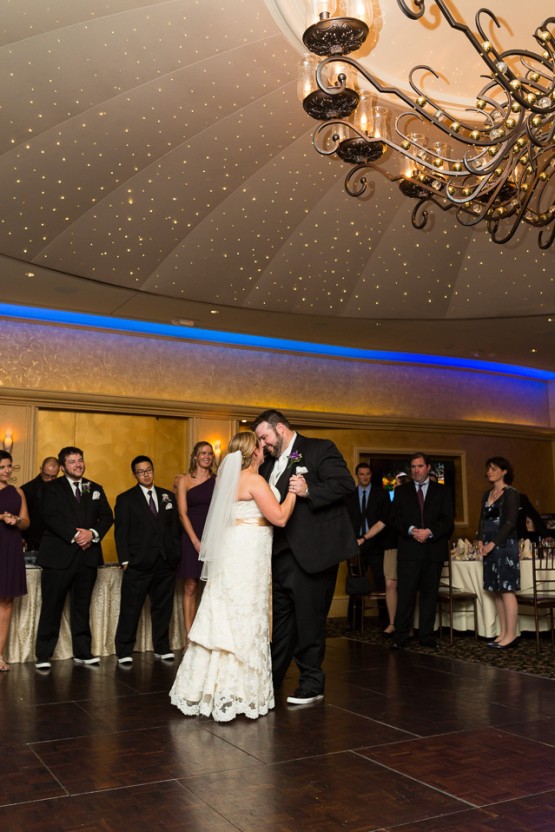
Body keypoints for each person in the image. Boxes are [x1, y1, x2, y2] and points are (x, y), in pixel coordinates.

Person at [170, 431, 296, 722]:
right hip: (249, 553)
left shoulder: (227, 481)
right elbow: (279, 517)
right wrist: (293, 491)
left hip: (232, 550)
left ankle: (208, 688)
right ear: (254, 452)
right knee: (246, 612)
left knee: (226, 608)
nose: (265, 450)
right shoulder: (254, 480)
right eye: (261, 446)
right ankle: (241, 691)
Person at [253, 409, 358, 705]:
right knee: (281, 622)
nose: (263, 444)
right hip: (279, 554)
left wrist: (310, 489)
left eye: (264, 437)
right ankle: (271, 681)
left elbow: (345, 484)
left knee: (309, 621)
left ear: (280, 429)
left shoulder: (319, 448)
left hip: (313, 553)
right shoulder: (267, 464)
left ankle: (312, 683)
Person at [35, 446, 113, 670]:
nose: (78, 464)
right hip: (58, 557)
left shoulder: (95, 488)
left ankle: (83, 652)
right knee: (52, 607)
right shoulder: (51, 488)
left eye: (80, 460)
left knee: (82, 606)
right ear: (62, 467)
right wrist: (77, 536)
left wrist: (93, 534)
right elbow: (49, 517)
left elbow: (107, 516)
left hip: (87, 557)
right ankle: (43, 655)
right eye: (72, 461)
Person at [114, 456, 181, 665]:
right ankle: (124, 650)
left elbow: (175, 528)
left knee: (163, 608)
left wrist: (175, 554)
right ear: (135, 474)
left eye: (149, 470)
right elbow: (121, 532)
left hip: (165, 563)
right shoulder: (125, 499)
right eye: (141, 471)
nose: (146, 474)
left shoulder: (167, 496)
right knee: (131, 608)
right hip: (138, 563)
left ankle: (161, 647)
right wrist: (125, 561)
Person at [391, 452, 454, 650]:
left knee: (429, 596)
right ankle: (400, 636)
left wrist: (429, 532)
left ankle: (426, 636)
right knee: (405, 595)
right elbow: (394, 519)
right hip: (409, 552)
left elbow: (448, 521)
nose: (416, 470)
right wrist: (411, 530)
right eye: (413, 467)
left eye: (419, 466)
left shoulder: (442, 491)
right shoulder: (401, 491)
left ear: (428, 468)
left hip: (433, 552)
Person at [477, 457, 520, 650]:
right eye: (488, 469)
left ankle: (511, 635)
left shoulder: (511, 493)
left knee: (507, 590)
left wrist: (492, 544)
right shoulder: (487, 494)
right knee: (496, 590)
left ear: (504, 471)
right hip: (488, 545)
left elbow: (510, 523)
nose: (489, 472)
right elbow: (482, 519)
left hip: (504, 546)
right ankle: (503, 633)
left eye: (494, 468)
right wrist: (480, 540)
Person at [176, 442, 216, 639]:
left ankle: (208, 636)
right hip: (192, 536)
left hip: (214, 537)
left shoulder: (218, 480)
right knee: (191, 586)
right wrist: (195, 541)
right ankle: (189, 637)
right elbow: (182, 514)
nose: (207, 456)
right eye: (203, 453)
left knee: (212, 588)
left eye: (210, 453)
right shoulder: (184, 480)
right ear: (195, 457)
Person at [344, 462, 390, 630]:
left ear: (371, 475)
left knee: (381, 582)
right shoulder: (349, 496)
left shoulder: (381, 494)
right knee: (355, 582)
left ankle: (385, 621)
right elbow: (345, 521)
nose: (365, 477)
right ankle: (354, 623)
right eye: (361, 474)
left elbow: (385, 519)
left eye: (367, 474)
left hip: (377, 545)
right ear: (357, 475)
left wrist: (367, 538)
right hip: (356, 545)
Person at [0, 451, 30, 672]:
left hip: (10, 547)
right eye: (2, 467)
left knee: (6, 601)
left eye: (9, 466)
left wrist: (17, 519)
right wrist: (1, 517)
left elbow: (26, 522)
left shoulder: (18, 492)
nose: (7, 471)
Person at [21, 456, 60, 553]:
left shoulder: (62, 489)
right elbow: (22, 518)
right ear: (41, 469)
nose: (50, 479)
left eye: (53, 476)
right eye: (47, 475)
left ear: (58, 472)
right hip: (33, 543)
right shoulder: (27, 489)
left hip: (57, 541)